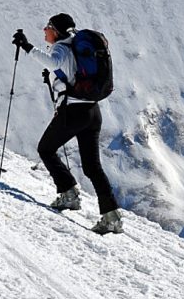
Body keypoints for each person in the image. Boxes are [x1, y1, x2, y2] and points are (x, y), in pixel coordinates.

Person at [13, 13, 123, 234]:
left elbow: (53, 61)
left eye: (48, 27)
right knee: (92, 167)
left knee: (45, 149)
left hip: (74, 112)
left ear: (55, 30)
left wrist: (27, 47)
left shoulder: (61, 47)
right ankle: (111, 217)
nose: (44, 30)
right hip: (92, 111)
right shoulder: (76, 46)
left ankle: (69, 194)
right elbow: (67, 72)